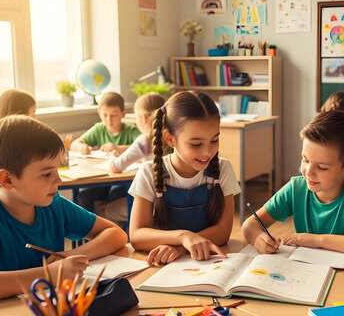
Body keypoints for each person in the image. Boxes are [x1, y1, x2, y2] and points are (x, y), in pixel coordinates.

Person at [0, 115, 127, 306]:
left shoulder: (53, 205)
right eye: (47, 173)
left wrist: (68, 256)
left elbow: (116, 235)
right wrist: (49, 274)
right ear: (7, 179)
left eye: (57, 170)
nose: (58, 181)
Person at [242, 110, 344, 257]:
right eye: (305, 160)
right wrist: (258, 239)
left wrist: (317, 240)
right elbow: (250, 224)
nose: (308, 172)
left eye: (322, 167)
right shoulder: (296, 189)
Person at [128, 91, 240, 265]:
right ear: (169, 138)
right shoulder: (149, 172)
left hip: (206, 262)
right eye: (196, 144)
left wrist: (181, 248)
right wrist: (183, 236)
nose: (208, 151)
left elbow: (223, 232)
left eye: (214, 140)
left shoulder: (223, 169)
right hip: (162, 265)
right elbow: (136, 236)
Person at [72, 91, 142, 213]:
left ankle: (115, 226)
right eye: (105, 115)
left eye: (114, 115)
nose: (109, 120)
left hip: (123, 180)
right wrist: (82, 148)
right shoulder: (99, 128)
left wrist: (118, 148)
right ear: (99, 113)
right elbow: (74, 144)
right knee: (83, 196)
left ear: (123, 113)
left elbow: (145, 147)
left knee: (115, 193)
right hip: (103, 178)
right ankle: (90, 230)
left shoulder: (131, 130)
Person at [103, 92, 165, 225]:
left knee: (109, 210)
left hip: (152, 205)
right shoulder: (174, 137)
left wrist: (114, 156)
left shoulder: (145, 141)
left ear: (143, 118)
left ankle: (125, 242)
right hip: (174, 204)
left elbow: (115, 167)